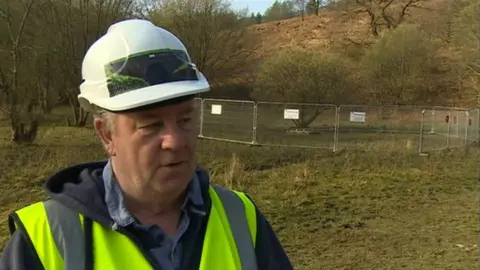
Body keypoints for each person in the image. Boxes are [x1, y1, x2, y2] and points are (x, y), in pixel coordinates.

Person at [0, 19, 293, 270]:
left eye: (185, 119)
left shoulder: (241, 219)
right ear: (107, 136)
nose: (175, 141)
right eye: (151, 125)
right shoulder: (46, 239)